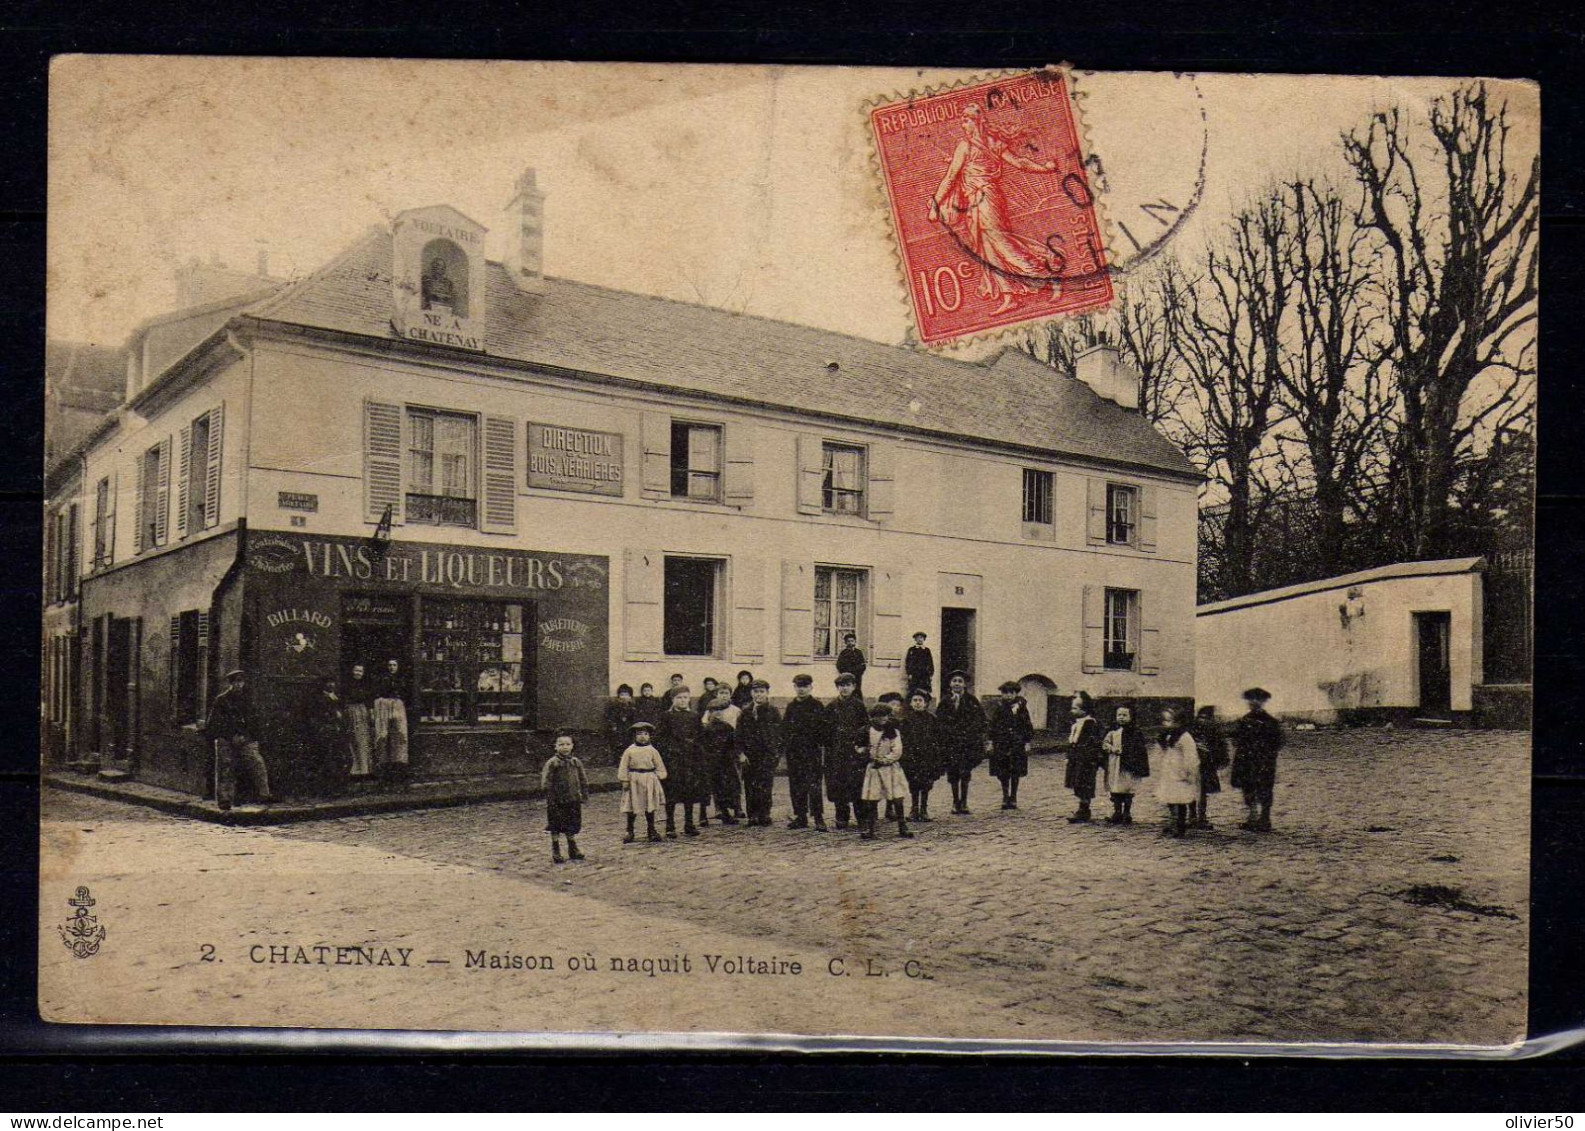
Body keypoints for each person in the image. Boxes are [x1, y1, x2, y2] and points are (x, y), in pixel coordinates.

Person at [929, 101, 1068, 315]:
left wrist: (936, 204)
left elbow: (950, 177)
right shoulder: (991, 143)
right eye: (962, 121)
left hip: (986, 200)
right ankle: (1008, 296)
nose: (963, 125)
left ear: (976, 123)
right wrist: (1045, 169)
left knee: (1002, 243)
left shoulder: (967, 147)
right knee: (987, 251)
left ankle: (1047, 276)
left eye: (966, 121)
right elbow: (1019, 162)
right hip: (980, 200)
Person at [206, 669, 272, 811]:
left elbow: (253, 721)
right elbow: (215, 723)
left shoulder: (248, 700)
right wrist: (231, 736)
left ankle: (264, 794)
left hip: (245, 739)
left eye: (241, 682)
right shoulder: (221, 700)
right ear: (230, 684)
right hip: (226, 739)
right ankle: (225, 799)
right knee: (225, 766)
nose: (239, 685)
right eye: (236, 682)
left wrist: (246, 736)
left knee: (257, 761)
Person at [1231, 687, 1285, 832]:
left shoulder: (1271, 722)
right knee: (1248, 788)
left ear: (1263, 701)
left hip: (1264, 762)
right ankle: (1252, 817)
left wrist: (1266, 754)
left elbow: (1278, 742)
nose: (1254, 702)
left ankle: (1265, 818)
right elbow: (1236, 740)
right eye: (1251, 699)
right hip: (1246, 761)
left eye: (1258, 699)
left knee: (1265, 788)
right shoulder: (1244, 720)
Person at [655, 688, 708, 838]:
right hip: (673, 760)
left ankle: (689, 823)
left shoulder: (694, 716)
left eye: (685, 697)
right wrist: (671, 749)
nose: (683, 700)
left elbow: (700, 738)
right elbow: (660, 738)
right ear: (673, 699)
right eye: (679, 697)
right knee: (671, 793)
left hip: (690, 760)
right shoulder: (666, 716)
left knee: (689, 793)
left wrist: (696, 752)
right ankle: (670, 825)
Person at [936, 670, 988, 815]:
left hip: (968, 743)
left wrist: (970, 733)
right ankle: (955, 801)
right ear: (950, 684)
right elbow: (939, 721)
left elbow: (980, 720)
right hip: (951, 743)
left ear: (964, 684)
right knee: (953, 772)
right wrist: (949, 732)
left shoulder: (972, 701)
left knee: (965, 772)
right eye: (954, 681)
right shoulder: (945, 701)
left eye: (960, 681)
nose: (957, 684)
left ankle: (964, 802)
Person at [781, 673, 828, 830]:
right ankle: (800, 816)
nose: (801, 690)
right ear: (794, 687)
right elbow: (785, 729)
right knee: (796, 785)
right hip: (794, 752)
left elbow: (823, 729)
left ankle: (818, 818)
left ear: (810, 687)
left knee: (814, 786)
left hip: (811, 751)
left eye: (804, 686)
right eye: (798, 686)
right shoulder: (791, 706)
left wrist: (817, 743)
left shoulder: (817, 706)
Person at [860, 703, 913, 840]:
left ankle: (902, 826)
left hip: (890, 768)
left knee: (897, 797)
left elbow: (897, 751)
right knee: (872, 799)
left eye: (885, 715)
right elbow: (859, 747)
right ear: (873, 717)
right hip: (874, 769)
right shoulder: (866, 731)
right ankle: (870, 828)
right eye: (879, 716)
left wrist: (884, 760)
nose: (883, 718)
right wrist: (864, 753)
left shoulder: (893, 731)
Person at [826, 672, 870, 829]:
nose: (844, 688)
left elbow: (866, 727)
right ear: (837, 687)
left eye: (848, 685)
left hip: (855, 752)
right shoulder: (831, 707)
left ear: (853, 687)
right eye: (841, 685)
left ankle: (861, 816)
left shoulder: (859, 705)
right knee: (839, 784)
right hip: (837, 752)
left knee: (857, 784)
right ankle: (841, 816)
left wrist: (862, 746)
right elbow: (826, 729)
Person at [736, 678, 782, 826]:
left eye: (762, 692)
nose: (759, 695)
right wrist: (741, 754)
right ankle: (753, 814)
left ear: (767, 693)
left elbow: (780, 735)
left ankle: (764, 814)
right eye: (756, 692)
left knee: (766, 785)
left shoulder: (773, 712)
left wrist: (776, 754)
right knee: (750, 785)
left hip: (767, 755)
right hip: (750, 756)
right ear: (751, 693)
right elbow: (738, 735)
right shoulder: (745, 712)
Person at [541, 729, 589, 864]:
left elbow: (583, 779)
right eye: (561, 744)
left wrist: (584, 795)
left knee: (571, 823)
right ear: (555, 746)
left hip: (573, 799)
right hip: (557, 800)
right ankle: (556, 850)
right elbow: (546, 782)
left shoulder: (576, 762)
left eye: (568, 744)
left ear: (572, 746)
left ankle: (573, 848)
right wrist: (550, 797)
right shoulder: (553, 763)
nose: (565, 747)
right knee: (556, 824)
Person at [1153, 706, 1200, 838]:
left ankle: (1180, 826)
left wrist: (1188, 772)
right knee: (1170, 797)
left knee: (1180, 800)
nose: (1174, 724)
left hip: (1181, 772)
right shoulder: (1172, 735)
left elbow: (1191, 757)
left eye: (1177, 722)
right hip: (1170, 771)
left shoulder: (1186, 737)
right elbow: (1166, 749)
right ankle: (1173, 822)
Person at [988, 680, 1035, 810]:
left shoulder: (1021, 708)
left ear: (1016, 694)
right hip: (1001, 744)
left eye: (1011, 693)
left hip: (1016, 744)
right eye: (1005, 693)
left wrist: (1027, 741)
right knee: (1002, 771)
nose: (1008, 696)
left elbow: (1027, 725)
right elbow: (993, 725)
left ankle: (1013, 796)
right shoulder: (999, 708)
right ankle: (1005, 795)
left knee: (1015, 770)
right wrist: (991, 741)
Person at [617, 721, 667, 843]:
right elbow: (623, 766)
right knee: (632, 806)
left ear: (649, 736)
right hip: (634, 779)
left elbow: (659, 765)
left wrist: (658, 776)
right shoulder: (630, 750)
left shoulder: (652, 750)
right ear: (635, 736)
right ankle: (629, 831)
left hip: (649, 779)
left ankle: (651, 829)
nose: (643, 736)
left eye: (645, 734)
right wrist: (624, 780)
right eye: (639, 734)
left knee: (649, 806)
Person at [1101, 703, 1150, 825]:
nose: (1121, 717)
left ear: (1131, 717)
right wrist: (1112, 749)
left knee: (1127, 788)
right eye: (1119, 715)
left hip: (1129, 766)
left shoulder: (1135, 733)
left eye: (1124, 715)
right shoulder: (1113, 732)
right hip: (1115, 765)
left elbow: (1140, 750)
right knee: (1116, 788)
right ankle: (1117, 812)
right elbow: (1104, 744)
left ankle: (1127, 812)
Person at [899, 688, 943, 821]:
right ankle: (914, 808)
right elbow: (903, 738)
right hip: (912, 757)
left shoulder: (932, 719)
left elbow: (937, 738)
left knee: (926, 783)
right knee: (913, 782)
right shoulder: (906, 720)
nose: (918, 703)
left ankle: (923, 809)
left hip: (927, 757)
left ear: (926, 703)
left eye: (920, 700)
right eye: (915, 700)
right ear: (911, 703)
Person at [1064, 691, 1105, 823]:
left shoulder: (1090, 724)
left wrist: (1087, 756)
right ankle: (1082, 808)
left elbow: (1092, 743)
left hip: (1086, 761)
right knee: (1078, 783)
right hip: (1077, 759)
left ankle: (1084, 808)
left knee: (1085, 783)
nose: (1072, 711)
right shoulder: (1076, 724)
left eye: (1075, 708)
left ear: (1085, 710)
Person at [699, 699, 741, 826]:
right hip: (709, 762)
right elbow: (701, 745)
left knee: (723, 788)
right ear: (709, 713)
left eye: (720, 710)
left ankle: (724, 813)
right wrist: (708, 757)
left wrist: (732, 756)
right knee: (706, 789)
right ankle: (702, 815)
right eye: (714, 710)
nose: (718, 713)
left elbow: (733, 744)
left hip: (724, 762)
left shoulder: (727, 727)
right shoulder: (705, 729)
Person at [304, 677, 347, 797]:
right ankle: (326, 789)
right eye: (329, 683)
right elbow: (318, 716)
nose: (331, 685)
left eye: (333, 682)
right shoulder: (319, 699)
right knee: (326, 761)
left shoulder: (335, 697)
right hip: (324, 732)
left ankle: (337, 787)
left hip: (336, 732)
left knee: (340, 759)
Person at [1190, 705, 1230, 829]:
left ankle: (1192, 816)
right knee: (1202, 791)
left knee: (1192, 789)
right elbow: (1220, 746)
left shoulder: (1191, 725)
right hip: (1207, 763)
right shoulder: (1213, 727)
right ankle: (1201, 817)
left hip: (1192, 762)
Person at [373, 658, 410, 784]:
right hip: (384, 707)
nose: (392, 667)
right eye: (389, 665)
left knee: (399, 736)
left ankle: (398, 768)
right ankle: (384, 769)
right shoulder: (382, 679)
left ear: (398, 667)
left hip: (398, 707)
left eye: (394, 665)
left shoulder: (402, 679)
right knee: (384, 736)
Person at [343, 662, 375, 780]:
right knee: (353, 739)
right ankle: (355, 769)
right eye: (356, 670)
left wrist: (371, 713)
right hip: (351, 711)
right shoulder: (347, 685)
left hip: (362, 712)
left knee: (364, 739)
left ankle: (365, 769)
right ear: (352, 671)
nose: (358, 673)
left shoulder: (365, 686)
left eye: (360, 671)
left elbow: (369, 700)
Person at [604, 685, 637, 763]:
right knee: (617, 743)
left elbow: (635, 717)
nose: (624, 697)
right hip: (617, 727)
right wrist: (613, 725)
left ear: (630, 696)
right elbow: (610, 716)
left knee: (628, 743)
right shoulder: (614, 705)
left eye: (626, 695)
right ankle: (618, 760)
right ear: (618, 695)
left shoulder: (632, 706)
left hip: (628, 727)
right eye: (622, 694)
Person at [836, 633, 868, 699]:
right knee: (847, 691)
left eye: (852, 641)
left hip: (857, 677)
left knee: (857, 691)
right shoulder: (843, 653)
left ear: (855, 642)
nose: (850, 643)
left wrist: (858, 672)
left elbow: (863, 665)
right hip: (847, 677)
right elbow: (839, 665)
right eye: (848, 641)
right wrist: (846, 673)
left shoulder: (858, 652)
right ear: (845, 643)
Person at [905, 631, 935, 698]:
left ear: (924, 639)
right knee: (914, 689)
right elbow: (908, 662)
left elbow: (930, 662)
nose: (920, 639)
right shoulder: (912, 650)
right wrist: (909, 673)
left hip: (924, 674)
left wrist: (931, 674)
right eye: (918, 638)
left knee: (924, 689)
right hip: (915, 674)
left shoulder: (927, 650)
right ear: (915, 639)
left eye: (921, 638)